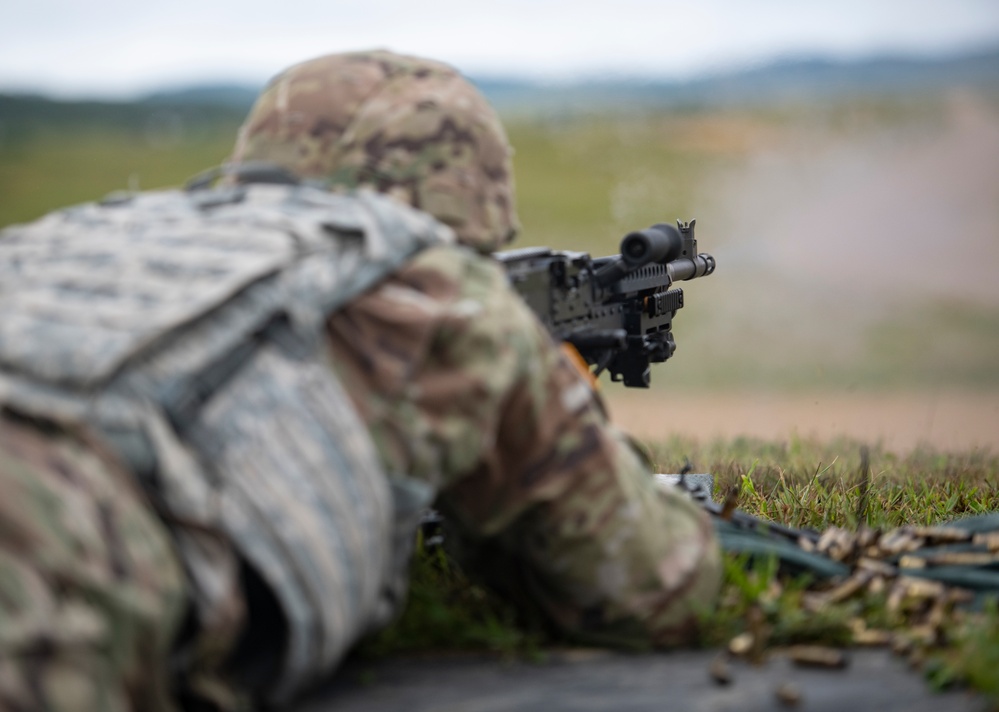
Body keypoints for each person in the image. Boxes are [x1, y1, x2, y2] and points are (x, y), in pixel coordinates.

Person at [0, 50, 721, 711]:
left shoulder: (92, 229)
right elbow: (652, 589)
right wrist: (557, 413)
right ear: (469, 188)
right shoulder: (437, 294)